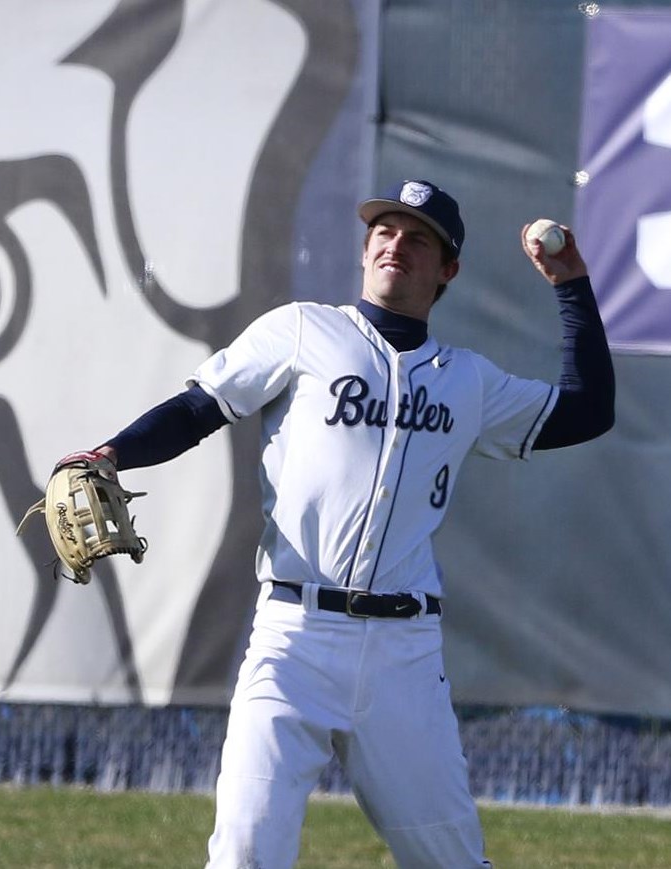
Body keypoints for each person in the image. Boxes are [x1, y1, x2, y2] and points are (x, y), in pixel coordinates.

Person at [60, 179, 614, 867]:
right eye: (383, 230)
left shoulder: (468, 381)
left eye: (418, 238)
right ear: (363, 251)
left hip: (403, 656)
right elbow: (198, 408)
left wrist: (571, 284)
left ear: (448, 270)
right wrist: (114, 452)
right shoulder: (301, 330)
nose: (395, 244)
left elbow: (587, 410)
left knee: (450, 860)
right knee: (243, 852)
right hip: (293, 638)